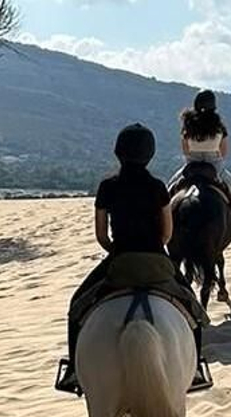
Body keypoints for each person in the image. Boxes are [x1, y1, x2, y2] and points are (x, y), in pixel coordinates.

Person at [56, 123, 210, 396]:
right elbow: (166, 234)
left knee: (76, 307)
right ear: (149, 154)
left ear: (118, 152)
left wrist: (115, 248)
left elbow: (101, 235)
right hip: (157, 260)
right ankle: (196, 369)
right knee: (194, 311)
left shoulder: (107, 187)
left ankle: (73, 372)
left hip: (119, 260)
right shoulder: (158, 187)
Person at [168, 89, 231, 241]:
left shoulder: (188, 125)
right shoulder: (219, 127)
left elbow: (185, 149)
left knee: (168, 190)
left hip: (191, 165)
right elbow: (223, 152)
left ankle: (163, 225)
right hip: (214, 166)